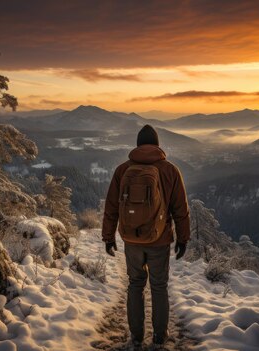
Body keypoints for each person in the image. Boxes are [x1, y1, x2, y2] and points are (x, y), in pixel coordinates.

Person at [102, 124, 190, 348]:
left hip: (131, 240)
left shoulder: (123, 170)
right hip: (160, 239)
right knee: (159, 286)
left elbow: (112, 206)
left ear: (138, 144)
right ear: (157, 144)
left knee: (135, 284)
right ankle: (160, 336)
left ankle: (137, 336)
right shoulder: (170, 170)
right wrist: (182, 239)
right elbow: (181, 210)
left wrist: (108, 237)